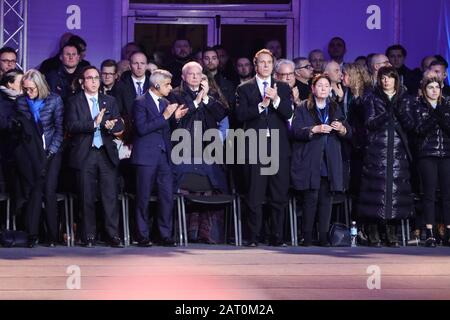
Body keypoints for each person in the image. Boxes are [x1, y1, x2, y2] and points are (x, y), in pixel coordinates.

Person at [235, 49, 293, 247]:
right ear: (255, 64)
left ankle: (276, 236)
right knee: (255, 194)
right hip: (255, 145)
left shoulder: (283, 88)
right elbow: (240, 115)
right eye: (262, 62)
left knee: (278, 194)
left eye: (269, 62)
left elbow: (288, 113)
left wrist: (276, 100)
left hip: (278, 147)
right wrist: (261, 105)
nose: (266, 65)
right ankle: (254, 237)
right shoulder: (244, 88)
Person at [169, 61, 229, 244]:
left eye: (199, 74)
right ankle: (186, 233)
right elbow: (178, 119)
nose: (195, 77)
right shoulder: (175, 96)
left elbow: (222, 114)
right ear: (183, 77)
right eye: (191, 74)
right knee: (185, 187)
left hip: (207, 149)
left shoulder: (210, 96)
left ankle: (207, 233)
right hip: (183, 149)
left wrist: (205, 99)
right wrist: (196, 102)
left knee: (213, 185)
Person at [65, 66, 125, 248]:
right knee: (86, 196)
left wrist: (111, 126)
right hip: (85, 153)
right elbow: (71, 126)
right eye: (90, 78)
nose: (94, 81)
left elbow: (118, 124)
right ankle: (88, 235)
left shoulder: (110, 100)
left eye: (96, 78)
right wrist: (94, 123)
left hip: (105, 153)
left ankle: (112, 235)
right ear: (82, 82)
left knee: (110, 196)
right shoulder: (74, 101)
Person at [358, 66, 415, 247]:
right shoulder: (372, 98)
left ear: (395, 80)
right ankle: (373, 231)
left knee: (395, 192)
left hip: (398, 151)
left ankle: (391, 232)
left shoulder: (405, 99)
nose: (386, 81)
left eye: (390, 78)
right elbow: (370, 123)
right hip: (377, 150)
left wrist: (397, 109)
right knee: (375, 191)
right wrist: (387, 112)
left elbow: (410, 124)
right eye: (383, 78)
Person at [291, 74, 351, 246]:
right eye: (320, 85)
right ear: (313, 88)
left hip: (329, 161)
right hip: (310, 160)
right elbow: (295, 131)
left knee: (326, 200)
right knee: (310, 200)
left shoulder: (335, 107)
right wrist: (314, 128)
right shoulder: (303, 107)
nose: (324, 88)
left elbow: (349, 131)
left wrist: (341, 129)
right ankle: (307, 236)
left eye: (326, 85)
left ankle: (324, 236)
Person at [131, 69, 187, 247]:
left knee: (166, 197)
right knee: (143, 197)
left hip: (164, 157)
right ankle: (142, 235)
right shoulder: (140, 102)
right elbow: (141, 128)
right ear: (156, 85)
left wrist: (174, 119)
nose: (170, 88)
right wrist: (165, 116)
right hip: (146, 157)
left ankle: (164, 235)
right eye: (167, 84)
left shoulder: (165, 102)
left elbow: (165, 128)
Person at [14, 69, 64, 247]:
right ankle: (32, 235)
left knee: (49, 192)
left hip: (51, 152)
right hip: (31, 154)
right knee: (34, 193)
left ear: (40, 86)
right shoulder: (21, 102)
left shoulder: (54, 100)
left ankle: (52, 236)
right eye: (25, 89)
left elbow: (59, 130)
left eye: (31, 89)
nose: (28, 92)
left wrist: (50, 152)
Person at [413, 77, 450, 247]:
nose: (434, 90)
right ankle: (429, 233)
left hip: (447, 154)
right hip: (427, 154)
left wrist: (441, 114)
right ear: (424, 89)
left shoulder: (447, 106)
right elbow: (419, 129)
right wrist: (435, 115)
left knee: (447, 195)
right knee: (429, 195)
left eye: (437, 87)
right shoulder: (418, 107)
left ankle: (447, 232)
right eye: (430, 87)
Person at [0, 70, 23, 194]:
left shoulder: (23, 100)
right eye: (21, 82)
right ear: (10, 83)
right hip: (5, 151)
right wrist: (18, 125)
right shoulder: (2, 100)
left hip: (19, 152)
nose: (24, 85)